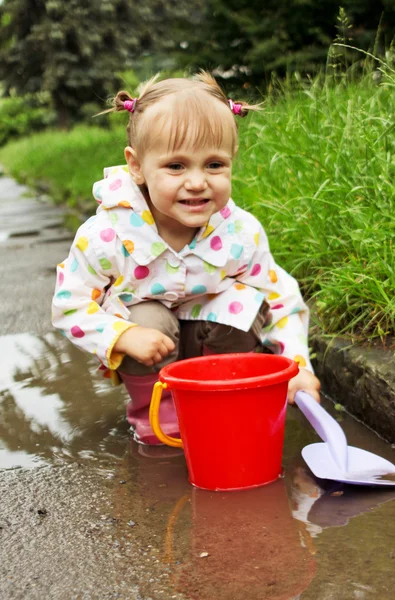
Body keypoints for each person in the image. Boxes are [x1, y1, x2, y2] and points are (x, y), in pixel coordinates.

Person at [52, 71, 320, 445]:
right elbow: (69, 305)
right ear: (137, 165)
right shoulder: (107, 236)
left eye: (214, 165)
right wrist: (123, 335)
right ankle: (160, 418)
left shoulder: (239, 233)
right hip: (151, 339)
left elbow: (280, 298)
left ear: (232, 160)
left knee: (249, 301)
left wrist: (297, 367)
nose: (197, 182)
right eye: (176, 166)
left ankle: (223, 396)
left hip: (208, 334)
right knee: (143, 317)